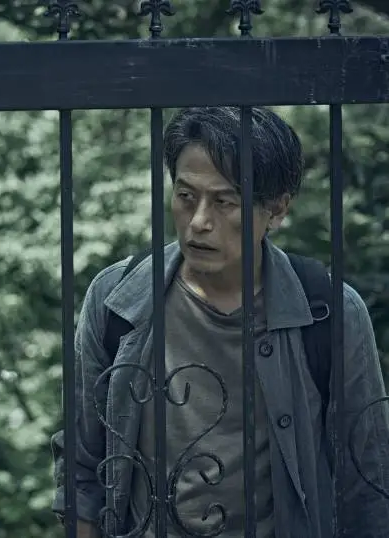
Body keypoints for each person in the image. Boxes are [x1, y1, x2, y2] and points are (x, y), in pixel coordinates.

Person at [50, 106, 389, 537]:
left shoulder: (330, 311)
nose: (199, 222)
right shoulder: (118, 299)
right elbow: (82, 471)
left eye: (225, 202)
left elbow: (369, 485)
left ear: (277, 209)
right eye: (185, 196)